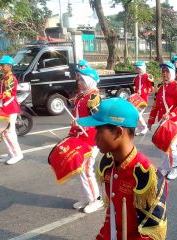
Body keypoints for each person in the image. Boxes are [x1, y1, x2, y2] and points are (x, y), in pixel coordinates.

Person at [77, 98, 168, 240]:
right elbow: (111, 214)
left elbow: (152, 233)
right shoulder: (108, 163)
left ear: (118, 132)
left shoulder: (146, 176)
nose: (94, 139)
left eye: (99, 131)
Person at [67, 67, 104, 213]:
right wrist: (72, 131)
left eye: (82, 79)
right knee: (79, 170)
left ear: (89, 81)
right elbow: (77, 116)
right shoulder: (81, 96)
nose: (79, 82)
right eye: (79, 79)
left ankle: (97, 200)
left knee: (87, 169)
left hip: (91, 140)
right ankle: (87, 197)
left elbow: (97, 121)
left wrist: (81, 123)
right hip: (80, 137)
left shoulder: (94, 98)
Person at [148, 62, 177, 180]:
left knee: (171, 145)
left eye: (167, 72)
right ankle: (165, 167)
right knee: (162, 145)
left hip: (176, 120)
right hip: (163, 120)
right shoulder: (159, 87)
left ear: (172, 73)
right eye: (163, 71)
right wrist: (150, 120)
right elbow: (155, 105)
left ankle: (175, 167)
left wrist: (170, 115)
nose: (164, 74)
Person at [0, 55, 23, 165]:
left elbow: (7, 94)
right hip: (3, 107)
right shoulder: (2, 77)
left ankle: (18, 154)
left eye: (3, 65)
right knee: (3, 132)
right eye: (1, 65)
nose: (1, 67)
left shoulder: (11, 79)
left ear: (9, 66)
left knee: (9, 132)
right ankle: (11, 153)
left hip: (10, 107)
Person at [132, 61, 154, 136]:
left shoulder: (148, 76)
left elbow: (152, 88)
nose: (137, 69)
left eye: (138, 68)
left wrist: (145, 91)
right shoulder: (137, 77)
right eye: (137, 68)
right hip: (137, 99)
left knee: (138, 114)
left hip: (143, 99)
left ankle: (144, 127)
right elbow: (135, 87)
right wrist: (136, 90)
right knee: (134, 114)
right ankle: (139, 127)